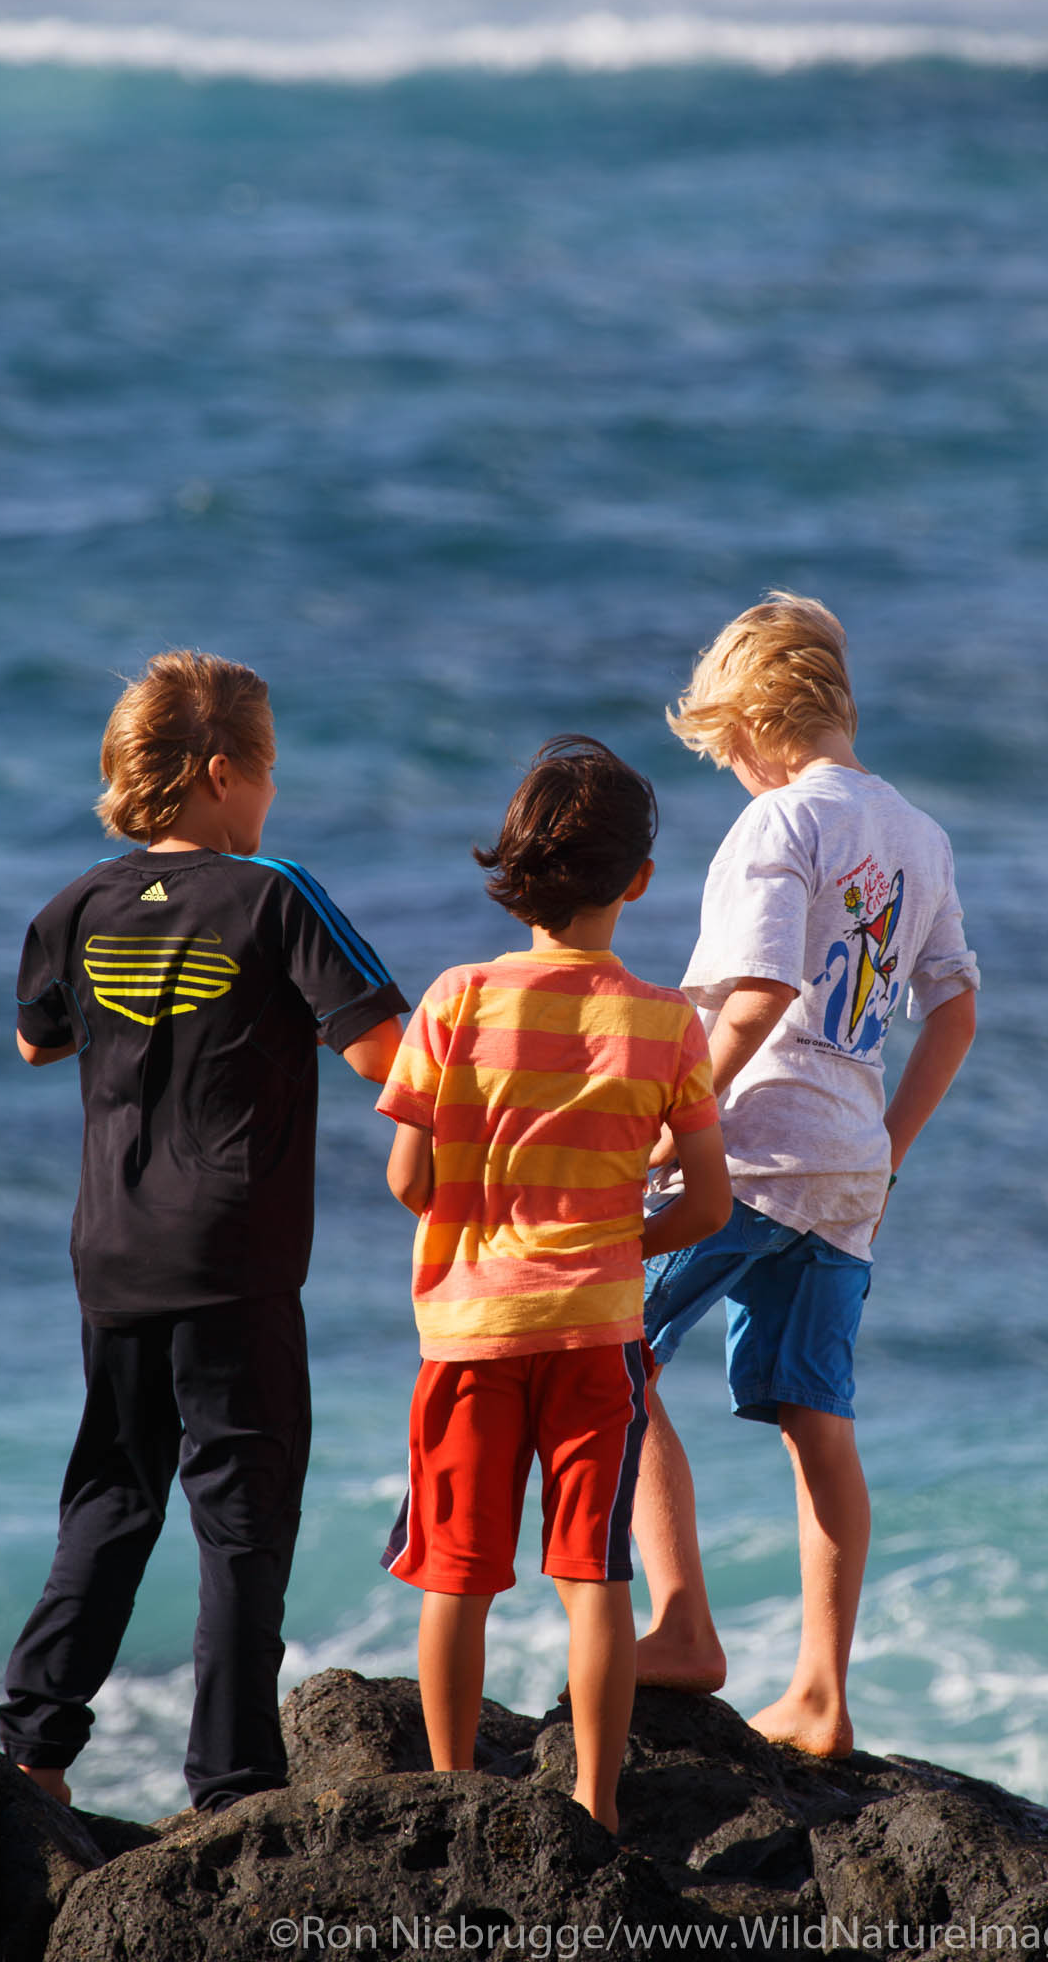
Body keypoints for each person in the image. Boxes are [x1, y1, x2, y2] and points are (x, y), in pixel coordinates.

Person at [0, 650, 407, 1813]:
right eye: (267, 771)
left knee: (112, 1491)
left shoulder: (76, 900)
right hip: (234, 1251)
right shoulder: (275, 892)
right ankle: (231, 1781)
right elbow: (388, 1053)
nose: (273, 796)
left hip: (113, 1248)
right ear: (222, 771)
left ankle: (34, 1750)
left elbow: (39, 1038)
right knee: (241, 1510)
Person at [633, 593, 979, 1759]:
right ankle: (823, 1695)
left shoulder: (777, 825)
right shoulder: (917, 834)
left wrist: (677, 1123)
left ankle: (680, 1623)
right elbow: (955, 1003)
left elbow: (762, 990)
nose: (727, 767)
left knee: (605, 1354)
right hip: (847, 1171)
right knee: (816, 1417)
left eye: (723, 742)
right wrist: (891, 1143)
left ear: (758, 719)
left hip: (752, 1142)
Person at [376, 736, 731, 1835]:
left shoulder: (455, 998)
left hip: (470, 1331)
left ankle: (451, 1790)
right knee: (594, 1573)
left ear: (517, 868)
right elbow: (709, 1206)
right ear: (638, 880)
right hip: (597, 1335)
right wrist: (626, 1235)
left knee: (457, 1571)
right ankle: (596, 1799)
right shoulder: (669, 1022)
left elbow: (407, 1176)